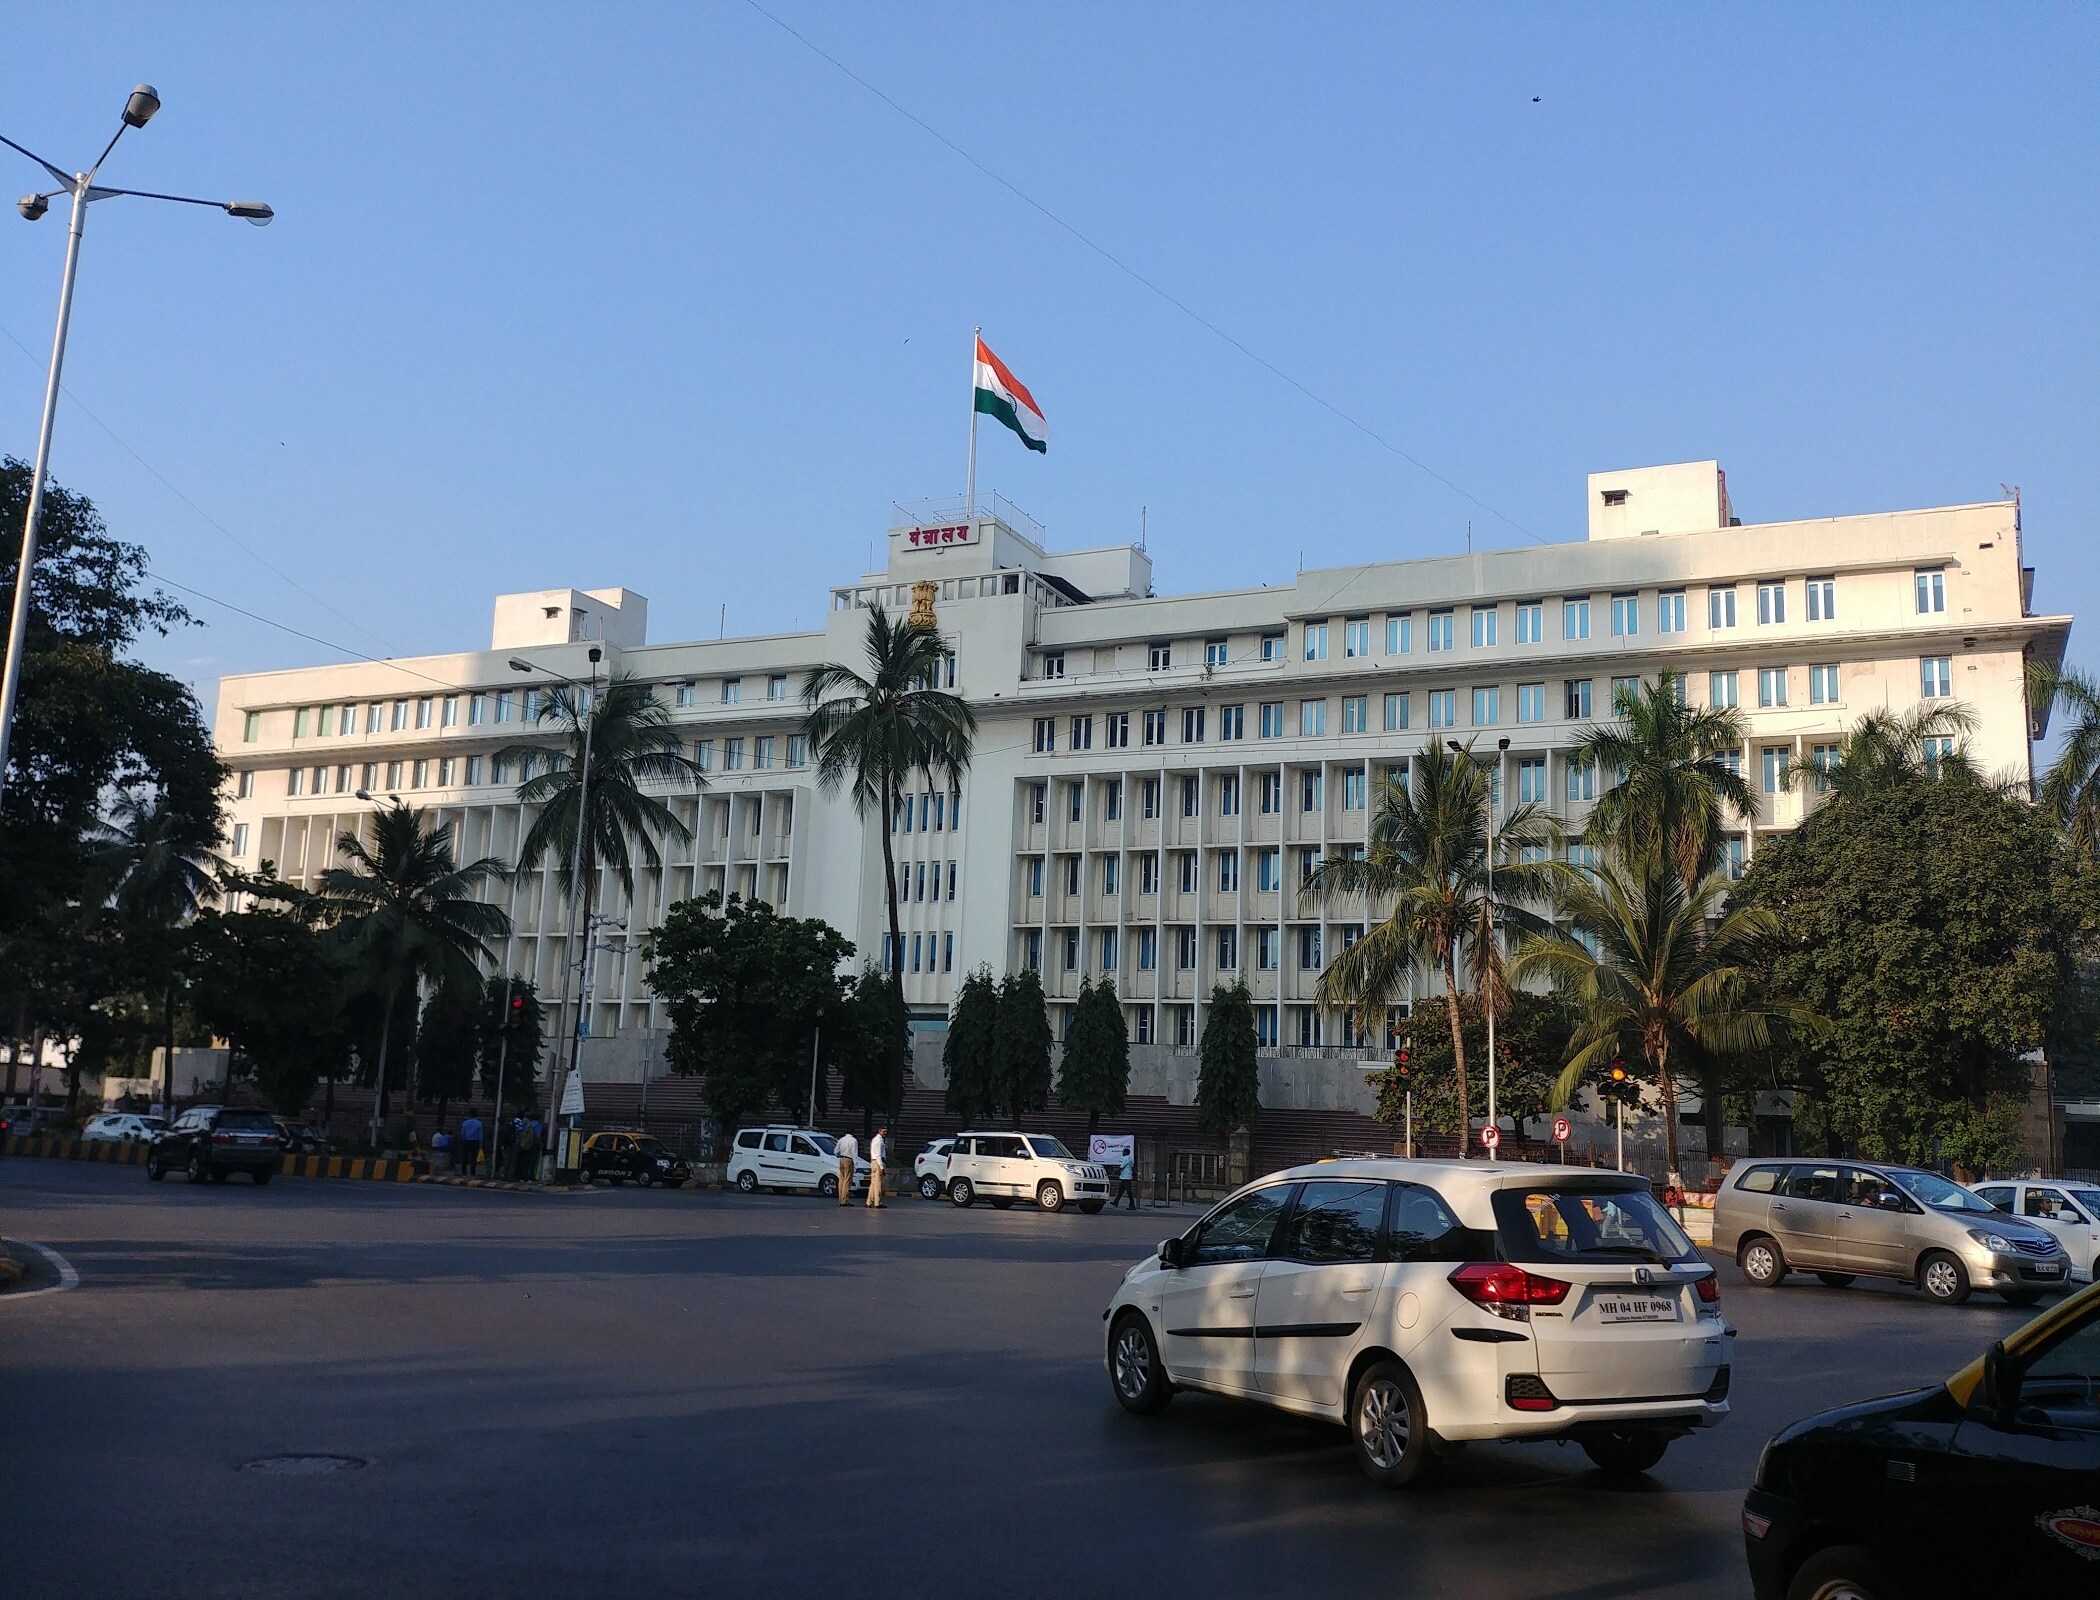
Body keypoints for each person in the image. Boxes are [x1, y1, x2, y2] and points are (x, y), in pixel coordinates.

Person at [834, 1130, 858, 1207]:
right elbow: (854, 1153)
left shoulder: (841, 1139)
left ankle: (841, 1198)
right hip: (849, 1160)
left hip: (841, 1159)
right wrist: (856, 1165)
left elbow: (836, 1151)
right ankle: (844, 1199)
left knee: (841, 1179)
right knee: (847, 1180)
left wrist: (839, 1155)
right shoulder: (853, 1140)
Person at [867, 1125, 888, 1208]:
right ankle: (877, 1202)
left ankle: (869, 1201)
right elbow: (879, 1155)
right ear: (879, 1131)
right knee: (878, 1184)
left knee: (873, 1183)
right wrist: (882, 1167)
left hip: (874, 1162)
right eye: (884, 1131)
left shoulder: (875, 1139)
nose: (885, 1133)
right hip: (877, 1162)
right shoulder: (879, 1141)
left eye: (886, 1131)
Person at [458, 1111, 484, 1177]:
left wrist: (463, 1140)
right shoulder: (479, 1123)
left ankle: (464, 1173)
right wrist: (481, 1143)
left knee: (465, 1157)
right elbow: (480, 1134)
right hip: (475, 1142)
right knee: (474, 1158)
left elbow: (462, 1133)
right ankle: (473, 1173)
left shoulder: (465, 1123)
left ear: (469, 1115)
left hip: (466, 1141)